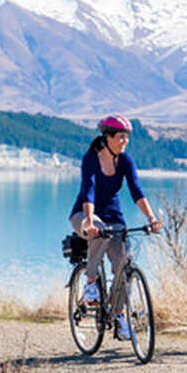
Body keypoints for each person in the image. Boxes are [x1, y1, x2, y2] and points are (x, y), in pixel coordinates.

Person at [69, 114, 161, 340]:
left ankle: (119, 315)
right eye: (121, 137)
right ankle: (91, 283)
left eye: (126, 137)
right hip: (83, 213)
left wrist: (150, 217)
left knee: (123, 262)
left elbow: (136, 191)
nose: (125, 141)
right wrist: (89, 221)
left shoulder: (125, 161)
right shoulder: (91, 158)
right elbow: (88, 189)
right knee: (98, 231)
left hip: (113, 215)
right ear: (107, 138)